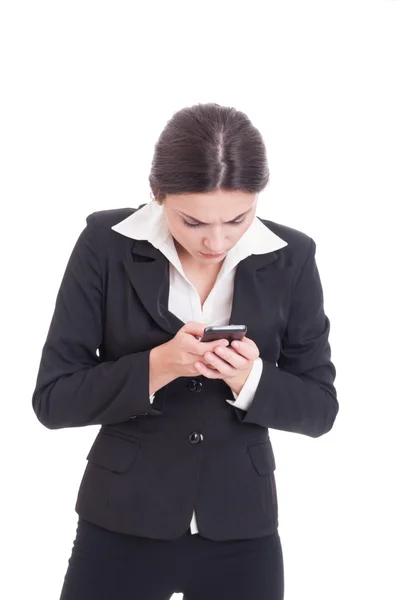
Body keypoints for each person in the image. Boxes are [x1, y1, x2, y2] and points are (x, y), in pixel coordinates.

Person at [32, 102, 338, 600]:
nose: (216, 241)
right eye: (193, 222)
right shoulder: (104, 244)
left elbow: (321, 411)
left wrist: (249, 379)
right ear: (158, 193)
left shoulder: (292, 256)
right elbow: (53, 400)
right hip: (120, 523)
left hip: (242, 529)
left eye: (238, 219)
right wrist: (156, 367)